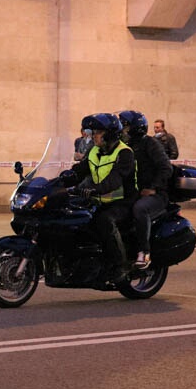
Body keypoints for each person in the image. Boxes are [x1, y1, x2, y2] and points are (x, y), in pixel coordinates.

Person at [65, 112, 137, 283]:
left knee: (105, 221)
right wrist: (61, 179)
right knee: (73, 215)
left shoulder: (124, 153)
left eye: (96, 132)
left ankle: (121, 265)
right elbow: (80, 170)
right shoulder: (94, 151)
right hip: (100, 199)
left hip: (122, 201)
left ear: (109, 134)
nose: (93, 136)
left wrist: (93, 190)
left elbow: (115, 179)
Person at [119, 110, 172, 269]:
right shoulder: (123, 146)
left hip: (154, 194)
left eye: (125, 126)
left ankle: (144, 252)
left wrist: (152, 188)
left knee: (140, 209)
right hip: (132, 192)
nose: (122, 129)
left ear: (135, 128)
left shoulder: (150, 144)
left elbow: (166, 168)